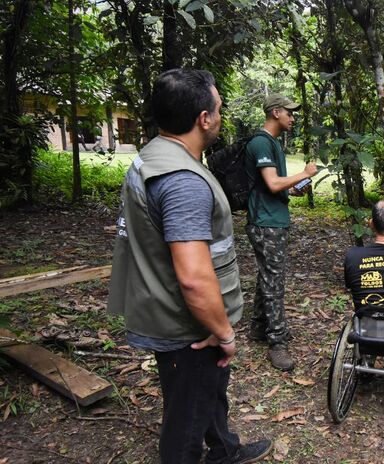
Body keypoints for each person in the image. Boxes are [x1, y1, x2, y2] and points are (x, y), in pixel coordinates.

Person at [107, 69, 271, 464]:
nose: (220, 116)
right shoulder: (183, 182)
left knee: (206, 389)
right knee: (185, 420)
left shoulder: (153, 155)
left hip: (175, 313)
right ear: (204, 119)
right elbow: (195, 279)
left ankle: (224, 449)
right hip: (189, 326)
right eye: (218, 108)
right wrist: (224, 331)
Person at [245, 93, 319, 370]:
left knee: (268, 275)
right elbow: (273, 183)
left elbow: (276, 186)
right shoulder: (261, 142)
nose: (293, 117)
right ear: (275, 112)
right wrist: (305, 173)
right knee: (274, 281)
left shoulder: (272, 143)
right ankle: (277, 342)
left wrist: (296, 188)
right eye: (289, 112)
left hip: (273, 218)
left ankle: (257, 327)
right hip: (266, 222)